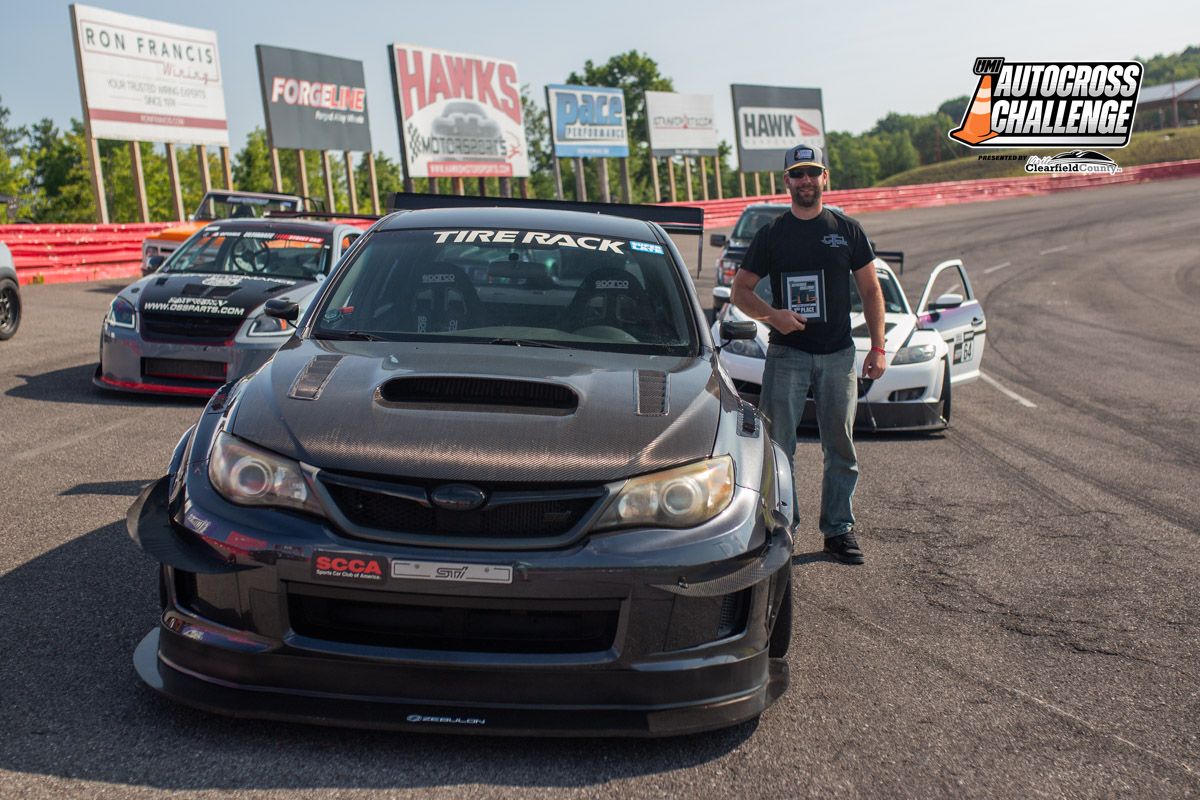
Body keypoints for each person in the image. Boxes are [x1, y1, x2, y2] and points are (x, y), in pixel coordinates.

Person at [730, 144, 887, 565]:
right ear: (786, 181)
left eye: (811, 172)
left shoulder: (847, 230)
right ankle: (782, 528)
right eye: (797, 173)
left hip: (838, 355)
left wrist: (878, 346)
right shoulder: (772, 234)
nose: (805, 181)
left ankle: (838, 529)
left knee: (841, 446)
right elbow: (740, 292)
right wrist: (772, 317)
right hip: (787, 355)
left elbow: (872, 290)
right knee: (779, 448)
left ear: (824, 177)